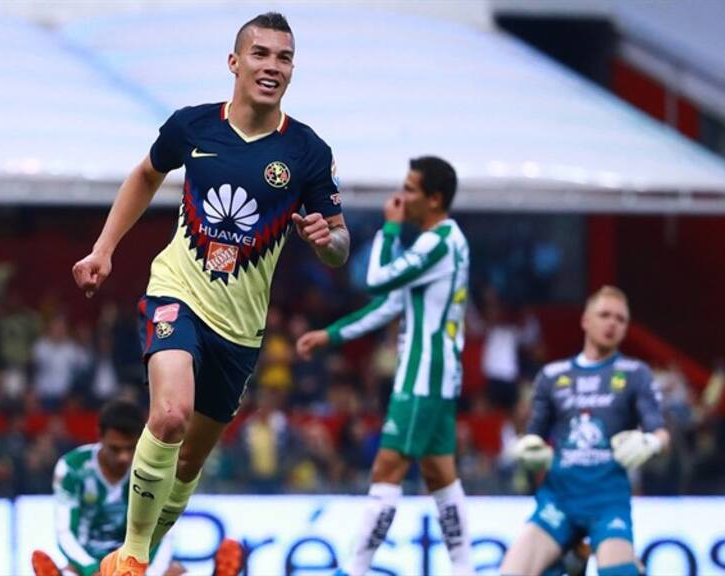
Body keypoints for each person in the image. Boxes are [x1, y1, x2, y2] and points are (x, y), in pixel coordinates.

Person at [71, 12, 349, 576]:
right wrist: (103, 249)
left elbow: (339, 244)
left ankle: (140, 554)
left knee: (190, 458)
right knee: (168, 416)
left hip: (241, 329)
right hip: (177, 291)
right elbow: (145, 174)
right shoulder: (193, 126)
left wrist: (328, 240)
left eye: (284, 58)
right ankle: (131, 554)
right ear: (235, 62)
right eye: (261, 54)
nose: (272, 66)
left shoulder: (308, 152)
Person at [296, 156, 474, 575]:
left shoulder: (439, 242)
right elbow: (390, 303)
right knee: (439, 473)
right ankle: (465, 569)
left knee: (387, 467)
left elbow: (373, 280)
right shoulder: (440, 244)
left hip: (423, 373)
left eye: (410, 189)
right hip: (437, 371)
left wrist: (388, 228)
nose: (401, 196)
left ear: (433, 199)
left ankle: (354, 569)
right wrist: (331, 334)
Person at [500, 286, 670, 576]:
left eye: (620, 319)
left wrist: (650, 443)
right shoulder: (552, 376)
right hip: (559, 499)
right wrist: (528, 451)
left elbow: (661, 433)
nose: (612, 323)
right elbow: (533, 437)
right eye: (604, 315)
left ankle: (588, 562)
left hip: (608, 500)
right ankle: (571, 559)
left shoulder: (635, 373)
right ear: (585, 321)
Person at [30, 400, 181, 576]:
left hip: (135, 561)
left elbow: (165, 533)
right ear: (100, 436)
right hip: (89, 562)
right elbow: (65, 532)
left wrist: (150, 572)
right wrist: (91, 570)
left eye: (130, 448)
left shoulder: (154, 471)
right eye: (115, 449)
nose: (123, 458)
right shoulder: (72, 468)